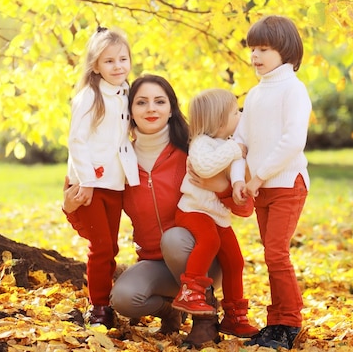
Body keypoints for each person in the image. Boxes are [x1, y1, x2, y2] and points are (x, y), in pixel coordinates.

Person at [63, 75, 237, 347]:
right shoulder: (121, 162)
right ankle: (170, 310)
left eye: (159, 101)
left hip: (202, 258)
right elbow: (97, 229)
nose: (151, 109)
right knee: (123, 299)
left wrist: (221, 186)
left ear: (171, 108)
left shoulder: (194, 151)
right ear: (129, 112)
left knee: (174, 238)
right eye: (141, 102)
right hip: (155, 264)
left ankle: (206, 317)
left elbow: (241, 205)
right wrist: (70, 208)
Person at [230, 15, 311, 350]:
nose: (255, 56)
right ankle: (275, 323)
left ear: (285, 50)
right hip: (258, 187)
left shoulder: (293, 89)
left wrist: (259, 176)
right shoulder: (256, 93)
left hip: (287, 183)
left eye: (263, 48)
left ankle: (290, 323)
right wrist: (238, 177)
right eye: (252, 49)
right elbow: (240, 140)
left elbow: (293, 141)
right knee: (270, 254)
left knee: (276, 253)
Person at [63, 26, 140, 328]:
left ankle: (106, 300)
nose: (118, 66)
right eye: (109, 61)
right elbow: (76, 141)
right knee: (101, 247)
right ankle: (99, 308)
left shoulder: (126, 93)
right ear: (95, 65)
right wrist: (86, 182)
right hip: (91, 183)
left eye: (123, 59)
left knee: (112, 246)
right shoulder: (89, 96)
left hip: (116, 182)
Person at [172, 88, 259, 338]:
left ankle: (234, 316)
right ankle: (190, 292)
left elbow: (237, 174)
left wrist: (238, 185)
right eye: (235, 112)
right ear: (220, 121)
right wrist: (235, 151)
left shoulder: (230, 145)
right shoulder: (201, 144)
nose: (240, 115)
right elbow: (205, 167)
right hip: (193, 209)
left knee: (235, 261)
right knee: (209, 240)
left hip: (218, 214)